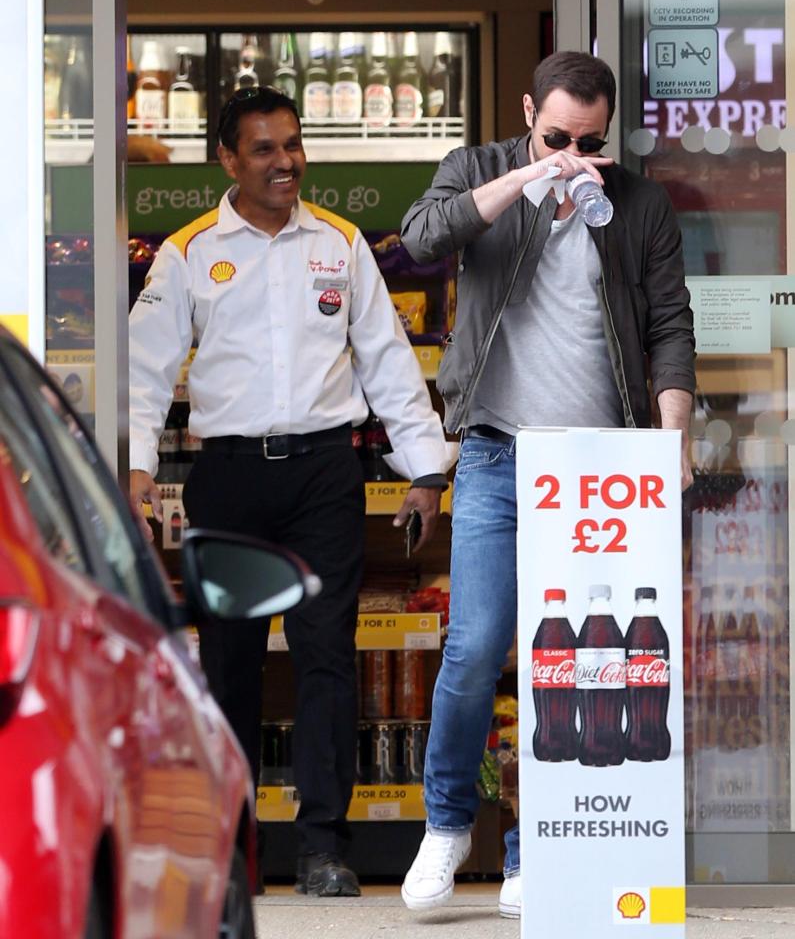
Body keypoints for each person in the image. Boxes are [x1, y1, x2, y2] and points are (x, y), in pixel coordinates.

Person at [128, 86, 456, 897]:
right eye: (266, 149)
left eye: (293, 145)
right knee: (232, 666)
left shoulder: (340, 245)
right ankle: (232, 848)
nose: (286, 162)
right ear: (229, 160)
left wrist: (423, 470)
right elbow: (141, 375)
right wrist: (137, 472)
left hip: (323, 473)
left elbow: (385, 361)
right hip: (229, 478)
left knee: (324, 657)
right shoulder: (189, 252)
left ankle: (322, 848)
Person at [398, 51, 695, 918]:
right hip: (496, 451)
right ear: (529, 113)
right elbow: (421, 239)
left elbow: (671, 323)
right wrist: (532, 174)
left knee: (566, 664)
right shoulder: (481, 171)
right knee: (475, 645)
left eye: (590, 141)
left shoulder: (636, 204)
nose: (574, 152)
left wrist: (669, 441)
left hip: (598, 467)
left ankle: (539, 847)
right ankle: (447, 825)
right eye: (557, 133)